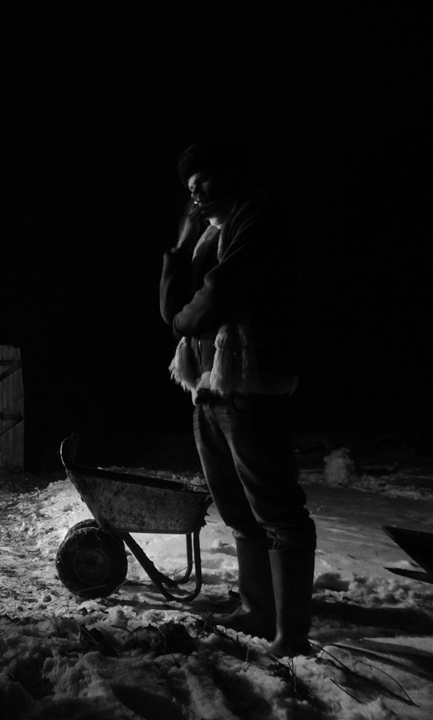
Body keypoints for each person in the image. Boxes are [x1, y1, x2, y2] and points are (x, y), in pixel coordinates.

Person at [159, 142, 317, 657]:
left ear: (231, 176)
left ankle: (291, 634)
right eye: (190, 189)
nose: (196, 195)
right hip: (209, 382)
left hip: (252, 382)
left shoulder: (261, 221)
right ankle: (257, 610)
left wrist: (184, 320)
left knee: (278, 511)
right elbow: (173, 308)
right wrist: (181, 249)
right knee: (237, 508)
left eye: (203, 183)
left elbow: (220, 292)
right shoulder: (209, 235)